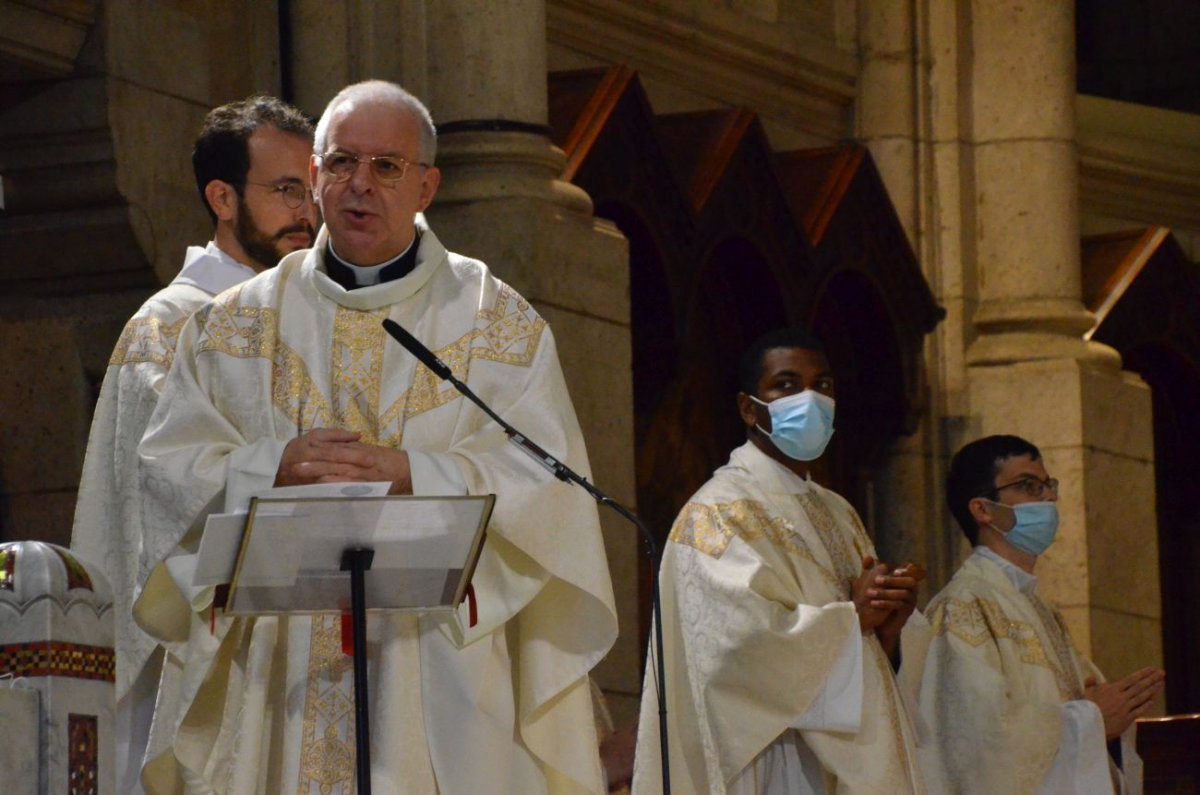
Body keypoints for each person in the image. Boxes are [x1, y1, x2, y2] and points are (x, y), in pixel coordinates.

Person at [135, 80, 617, 794]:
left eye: (387, 167)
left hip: (436, 668)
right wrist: (273, 467)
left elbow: (547, 482)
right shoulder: (232, 326)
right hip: (277, 677)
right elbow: (165, 472)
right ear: (315, 180)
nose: (360, 185)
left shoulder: (493, 321)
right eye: (340, 164)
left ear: (427, 185)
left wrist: (415, 472)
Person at [69, 95, 315, 795]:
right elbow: (163, 487)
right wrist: (281, 466)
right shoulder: (172, 325)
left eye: (311, 190)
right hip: (200, 643)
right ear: (223, 197)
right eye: (285, 190)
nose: (307, 211)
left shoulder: (318, 318)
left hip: (304, 639)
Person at [632, 328, 931, 794]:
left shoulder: (838, 510)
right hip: (777, 760)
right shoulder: (716, 511)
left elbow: (870, 643)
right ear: (749, 408)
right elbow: (734, 652)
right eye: (787, 385)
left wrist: (889, 631)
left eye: (823, 385)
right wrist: (852, 621)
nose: (809, 398)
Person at [918, 434, 1165, 794]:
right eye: (1028, 486)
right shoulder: (961, 607)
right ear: (982, 509)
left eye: (1048, 485)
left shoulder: (1039, 608)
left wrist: (1109, 716)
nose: (1049, 497)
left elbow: (1091, 712)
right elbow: (973, 749)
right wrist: (1091, 720)